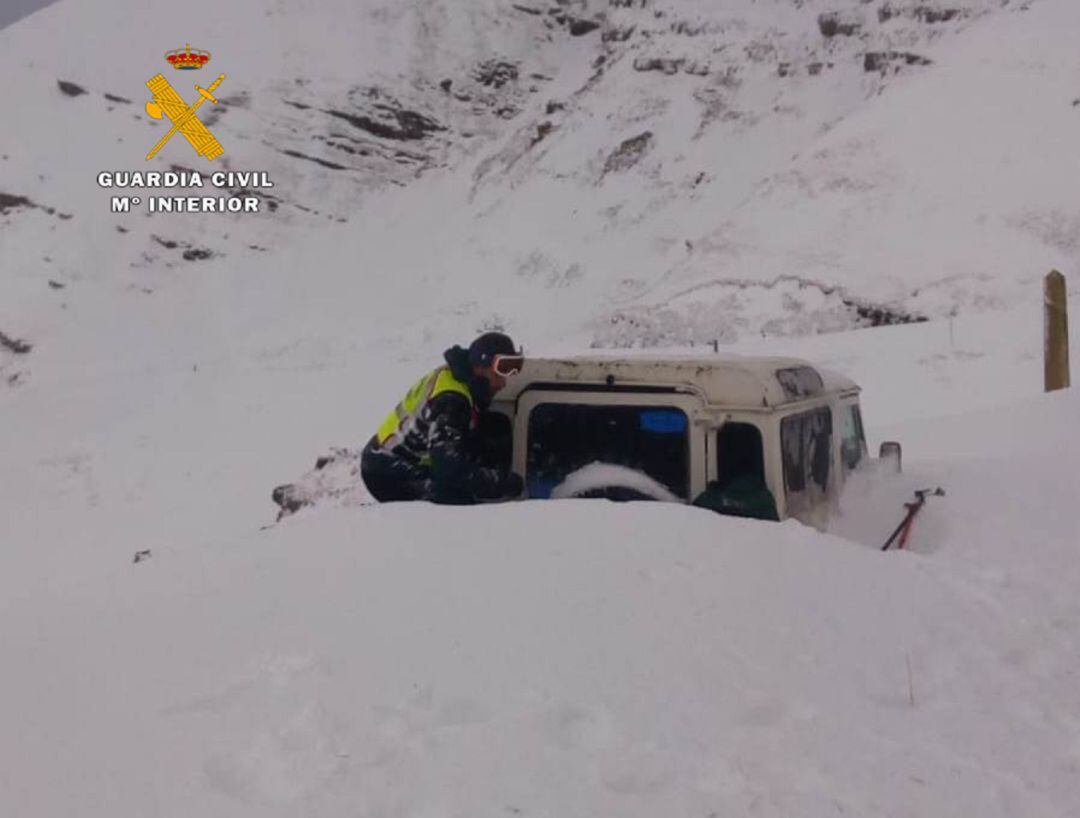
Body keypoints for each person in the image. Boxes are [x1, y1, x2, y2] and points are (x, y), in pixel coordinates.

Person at [360, 332, 526, 504]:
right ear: (479, 368)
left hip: (397, 455)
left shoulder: (458, 378)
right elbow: (448, 468)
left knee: (495, 426)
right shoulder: (451, 401)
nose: (502, 384)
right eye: (498, 376)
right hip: (386, 471)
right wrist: (499, 483)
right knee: (455, 499)